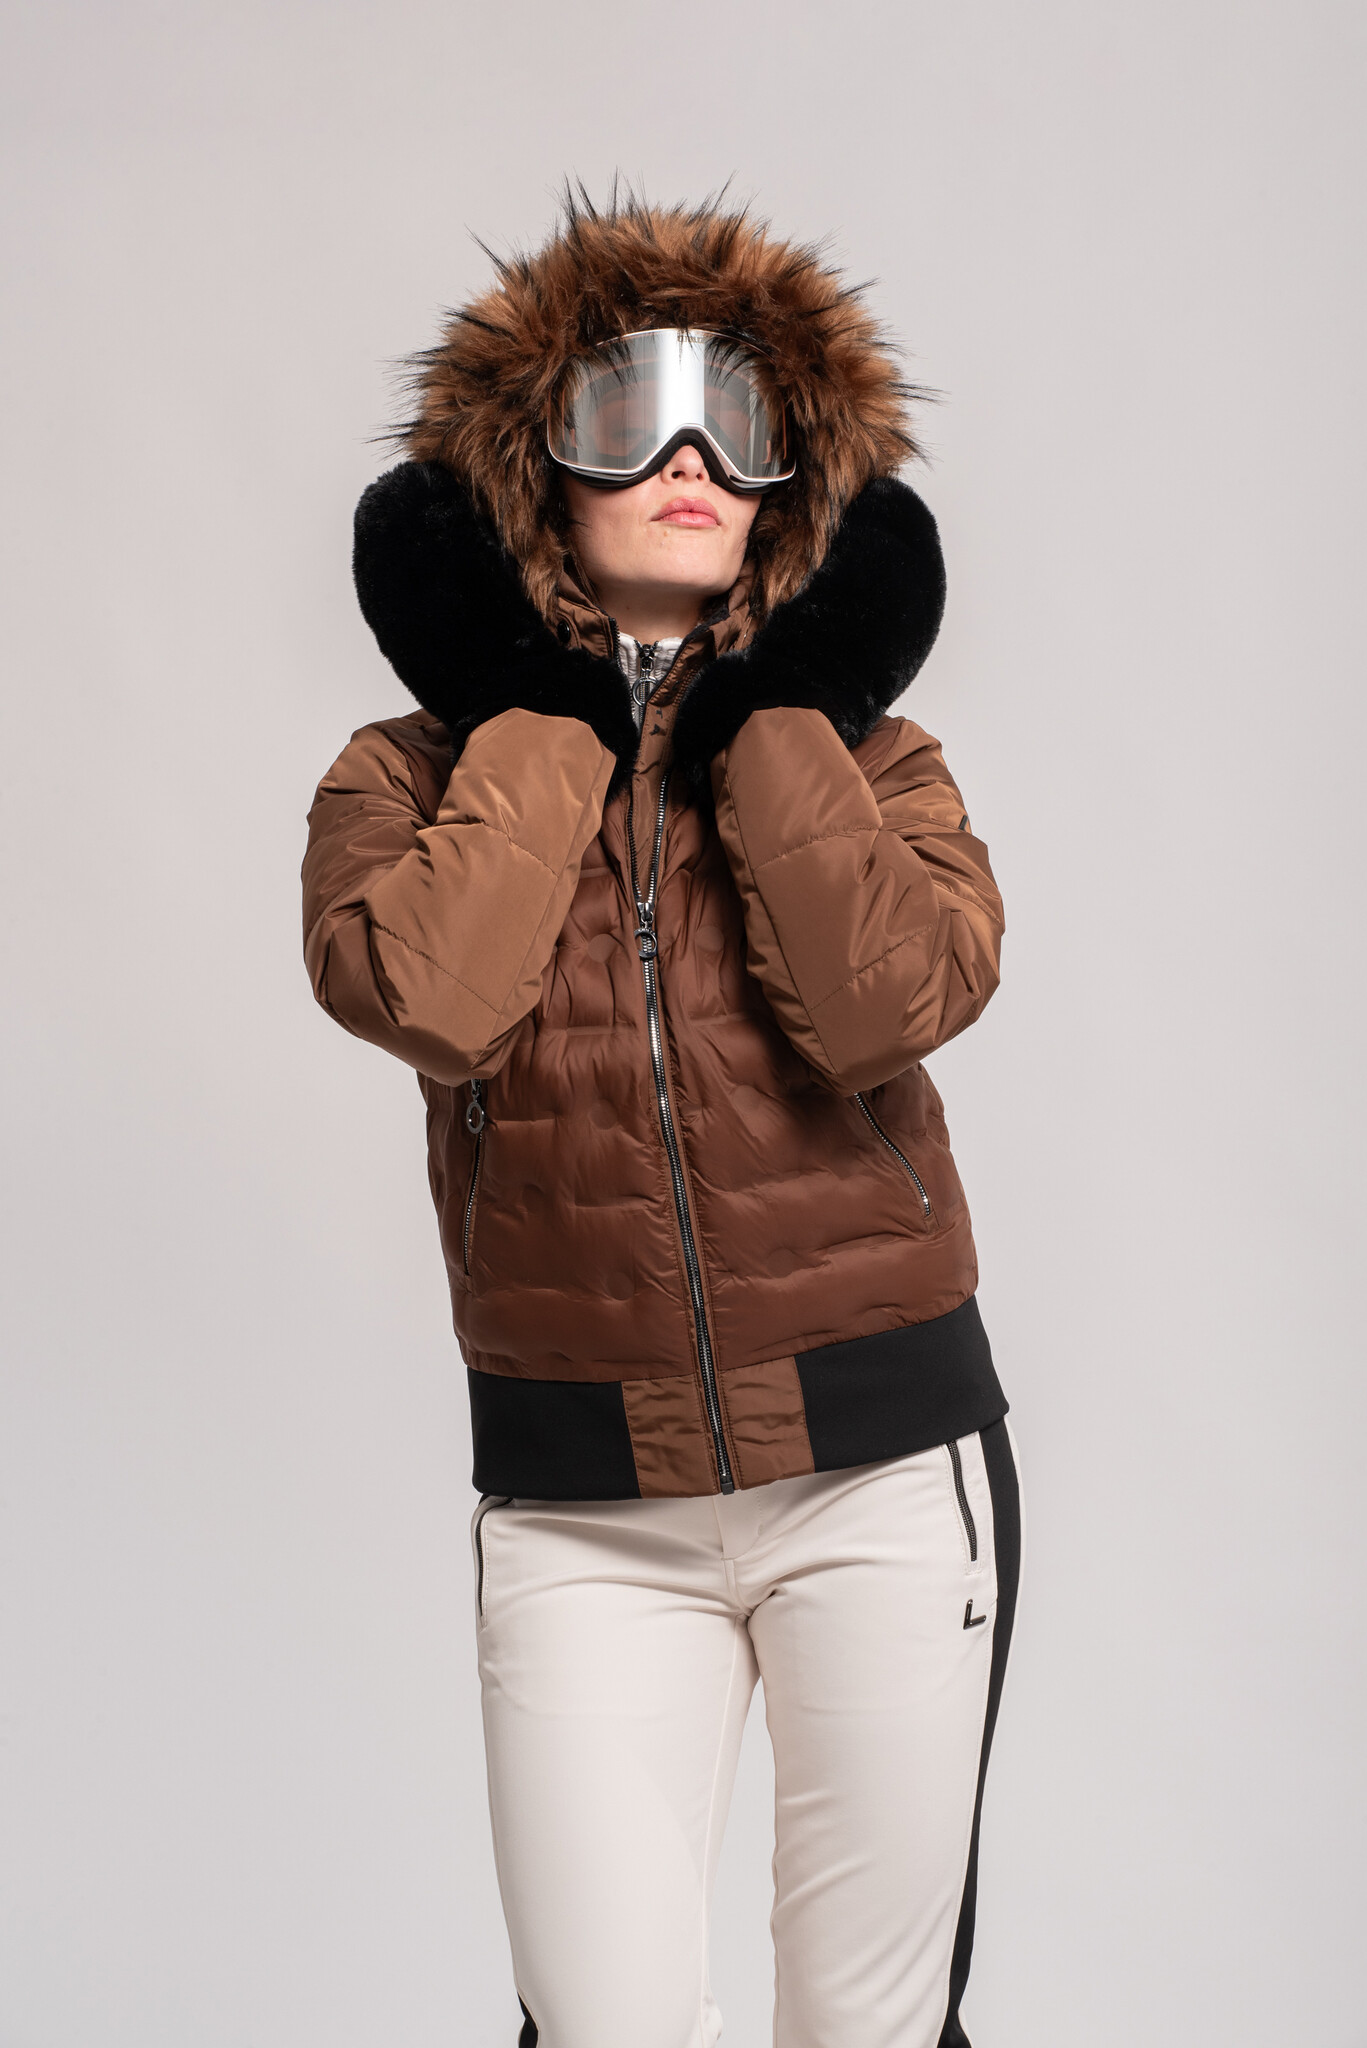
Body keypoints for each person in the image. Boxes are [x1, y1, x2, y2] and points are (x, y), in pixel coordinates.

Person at [302, 190, 1020, 2048]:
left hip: (882, 1473)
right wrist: (547, 721)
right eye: (628, 415)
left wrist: (777, 719)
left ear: (794, 478)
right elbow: (433, 1000)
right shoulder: (402, 780)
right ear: (532, 467)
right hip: (582, 1507)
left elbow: (888, 1005)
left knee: (867, 2029)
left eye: (740, 424)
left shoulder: (877, 761)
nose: (689, 461)